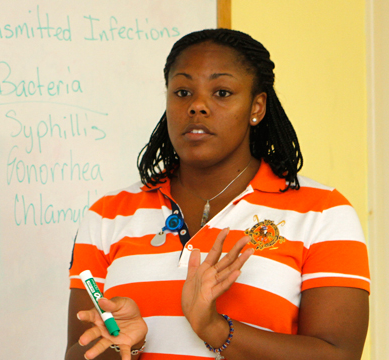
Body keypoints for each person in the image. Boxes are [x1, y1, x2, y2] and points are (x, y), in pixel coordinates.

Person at [65, 29, 370, 360]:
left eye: (221, 92)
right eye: (182, 92)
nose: (197, 105)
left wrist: (215, 329)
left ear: (257, 107)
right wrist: (125, 344)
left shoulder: (323, 213)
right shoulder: (108, 214)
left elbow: (339, 354)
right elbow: (78, 351)